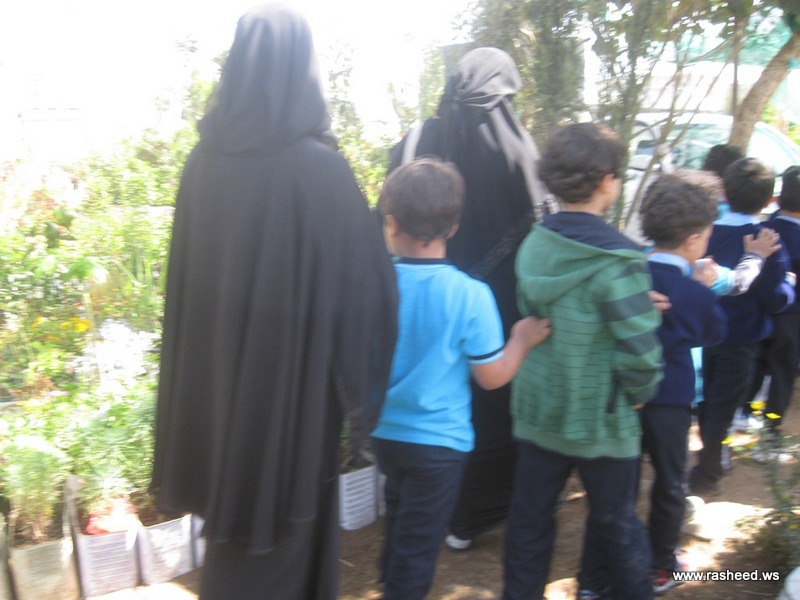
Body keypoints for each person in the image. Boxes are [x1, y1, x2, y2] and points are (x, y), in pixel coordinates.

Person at [149, 6, 398, 600]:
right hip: (292, 392)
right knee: (283, 530)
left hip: (217, 390)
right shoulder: (319, 170)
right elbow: (367, 290)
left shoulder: (201, 164)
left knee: (235, 521)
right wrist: (359, 389)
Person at [388, 46, 557, 552]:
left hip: (416, 289)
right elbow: (545, 225)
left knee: (427, 392)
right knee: (491, 398)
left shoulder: (416, 140)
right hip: (495, 302)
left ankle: (442, 508)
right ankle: (480, 511)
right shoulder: (519, 148)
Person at [371, 158, 551, 600]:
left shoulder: (374, 288)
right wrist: (521, 340)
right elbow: (492, 377)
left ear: (390, 223)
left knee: (399, 519)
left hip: (385, 436)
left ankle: (389, 580)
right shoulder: (470, 295)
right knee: (418, 546)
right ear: (454, 228)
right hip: (439, 446)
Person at [502, 123, 663, 600]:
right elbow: (639, 346)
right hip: (602, 417)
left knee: (529, 519)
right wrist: (641, 392)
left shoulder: (534, 243)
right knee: (617, 523)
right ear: (608, 181)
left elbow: (534, 313)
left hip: (541, 409)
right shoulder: (621, 261)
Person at [638, 172, 728, 594]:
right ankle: (661, 563)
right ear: (693, 240)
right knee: (670, 481)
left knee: (620, 482)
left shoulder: (628, 275)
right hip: (671, 401)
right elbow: (714, 333)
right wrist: (703, 289)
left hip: (624, 396)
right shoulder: (696, 293)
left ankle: (612, 561)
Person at [688, 158, 794, 498]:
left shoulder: (704, 232)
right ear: (768, 201)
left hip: (703, 336)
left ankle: (712, 458)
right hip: (742, 339)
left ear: (724, 191)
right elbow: (775, 298)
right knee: (723, 405)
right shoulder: (767, 239)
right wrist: (790, 286)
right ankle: (707, 472)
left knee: (707, 400)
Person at [751, 166, 800, 439]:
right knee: (782, 370)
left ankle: (742, 416)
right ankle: (771, 429)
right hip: (791, 317)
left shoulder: (763, 229)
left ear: (779, 198)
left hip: (757, 312)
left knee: (755, 365)